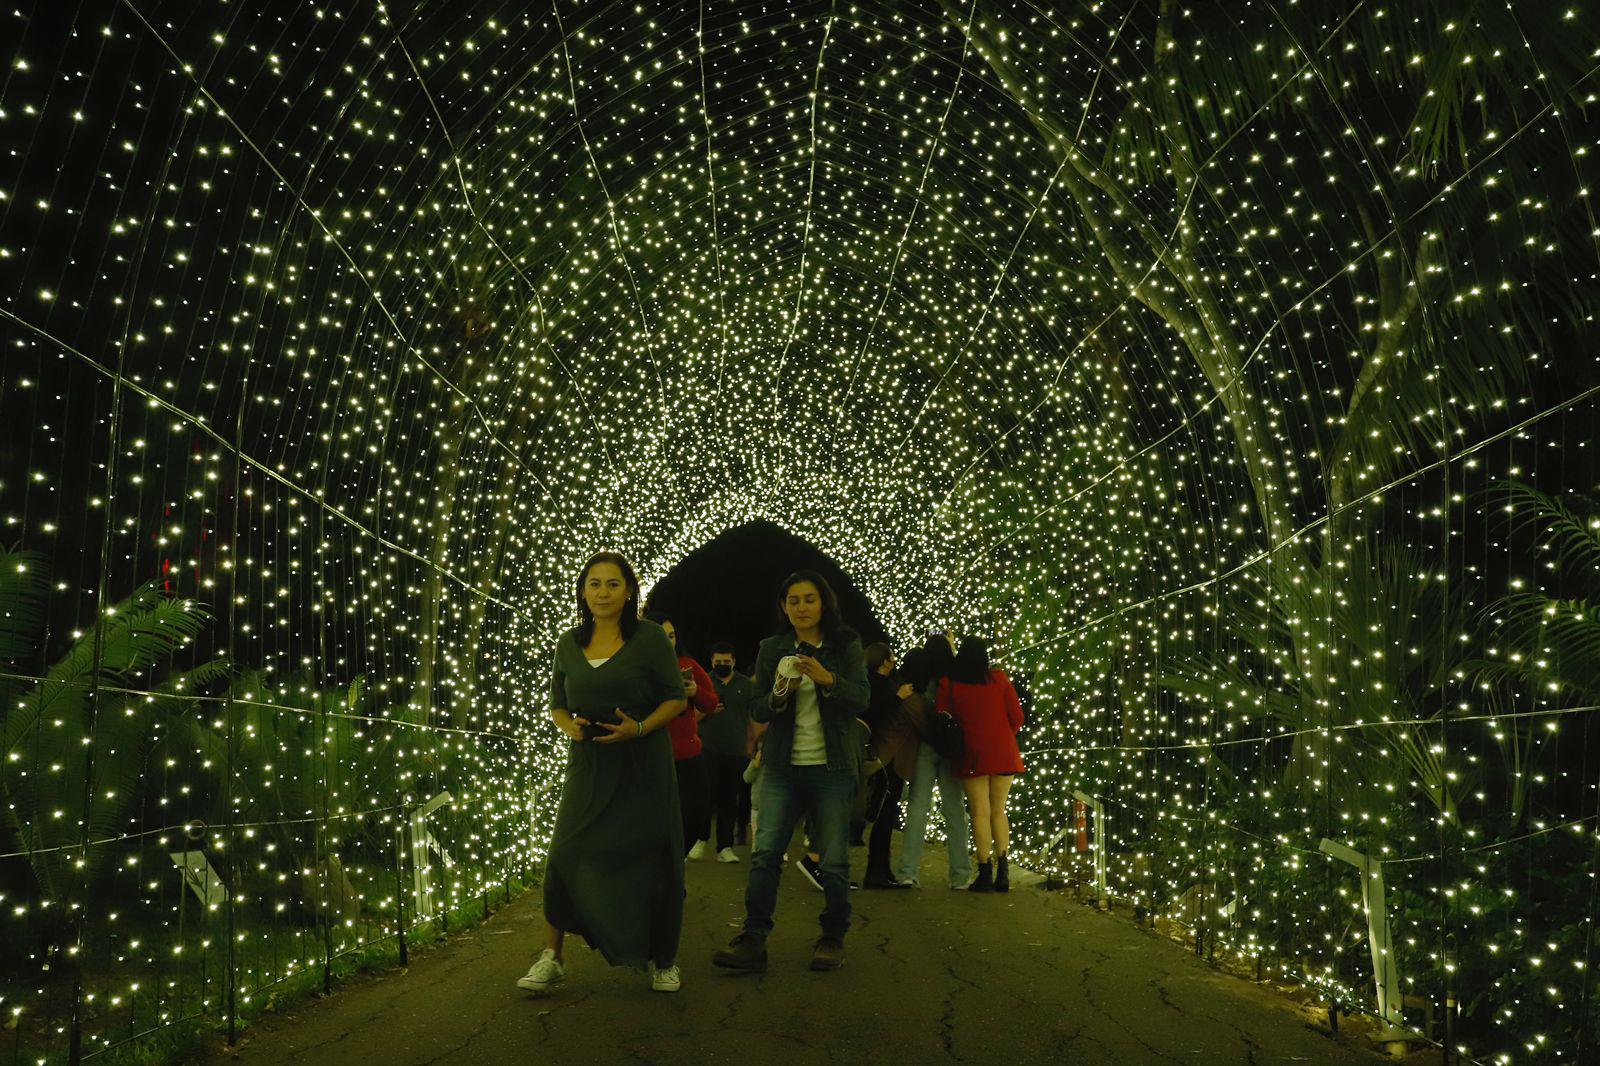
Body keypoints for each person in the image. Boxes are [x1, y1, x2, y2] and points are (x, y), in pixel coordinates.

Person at [519, 552, 689, 996]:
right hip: (590, 762)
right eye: (594, 583)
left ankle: (664, 959)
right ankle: (553, 957)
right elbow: (557, 701)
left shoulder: (650, 638)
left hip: (643, 762)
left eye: (612, 584)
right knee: (564, 855)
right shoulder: (568, 643)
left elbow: (675, 699)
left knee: (655, 857)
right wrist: (566, 725)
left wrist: (637, 728)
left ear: (629, 591)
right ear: (582, 591)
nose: (602, 592)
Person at [712, 570, 869, 974]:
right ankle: (753, 938)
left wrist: (827, 679)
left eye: (808, 599)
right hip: (782, 767)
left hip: (832, 767)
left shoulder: (845, 644)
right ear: (783, 607)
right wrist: (780, 692)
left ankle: (832, 937)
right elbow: (758, 708)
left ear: (824, 603)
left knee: (833, 860)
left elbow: (861, 698)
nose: (801, 607)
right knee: (765, 854)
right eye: (793, 600)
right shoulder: (772, 648)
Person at [938, 637, 1025, 892]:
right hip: (1004, 751)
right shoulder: (998, 679)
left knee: (979, 812)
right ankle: (1004, 871)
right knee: (999, 810)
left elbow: (942, 716)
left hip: (972, 753)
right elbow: (1017, 717)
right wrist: (1002, 734)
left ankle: (984, 872)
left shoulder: (949, 684)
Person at [892, 633, 975, 890]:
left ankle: (908, 872)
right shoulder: (955, 678)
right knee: (955, 810)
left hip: (925, 747)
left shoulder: (919, 677)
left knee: (918, 806)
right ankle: (960, 875)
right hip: (950, 750)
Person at [645, 610, 720, 859]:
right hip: (651, 756)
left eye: (672, 635)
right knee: (654, 823)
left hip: (688, 755)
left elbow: (711, 703)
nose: (669, 641)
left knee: (694, 816)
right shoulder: (638, 667)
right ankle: (663, 877)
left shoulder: (687, 664)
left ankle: (674, 867)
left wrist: (695, 691)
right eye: (662, 636)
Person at [702, 641, 752, 862]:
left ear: (734, 661)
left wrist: (752, 744)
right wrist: (707, 711)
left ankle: (724, 847)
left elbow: (753, 716)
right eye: (718, 661)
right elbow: (688, 715)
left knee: (729, 800)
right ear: (711, 661)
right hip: (707, 748)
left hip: (735, 750)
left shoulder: (745, 684)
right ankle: (699, 840)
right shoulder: (703, 681)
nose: (722, 664)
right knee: (704, 797)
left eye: (726, 661)